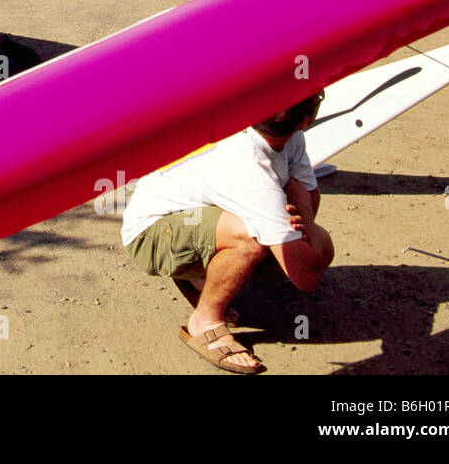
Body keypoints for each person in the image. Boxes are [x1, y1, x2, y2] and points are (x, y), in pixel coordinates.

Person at [120, 92, 334, 374]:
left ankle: (199, 273)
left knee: (287, 243)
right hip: (151, 234)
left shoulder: (287, 136)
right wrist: (312, 236)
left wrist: (301, 227)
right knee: (251, 240)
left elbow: (308, 192)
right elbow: (306, 276)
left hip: (201, 213)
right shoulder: (252, 170)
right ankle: (204, 322)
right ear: (307, 119)